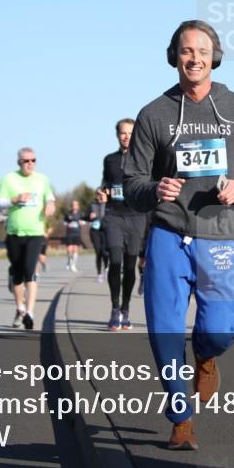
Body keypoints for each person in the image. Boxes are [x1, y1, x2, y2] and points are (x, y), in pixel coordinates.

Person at [124, 19, 234, 450]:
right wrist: (156, 188)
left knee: (224, 329)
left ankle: (205, 357)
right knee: (164, 330)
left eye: (203, 51)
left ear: (215, 57)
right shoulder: (154, 114)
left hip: (220, 234)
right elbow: (132, 184)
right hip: (169, 233)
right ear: (175, 56)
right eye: (187, 51)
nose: (195, 58)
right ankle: (181, 419)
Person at [0, 147, 55, 330]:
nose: (30, 164)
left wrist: (50, 205)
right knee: (17, 273)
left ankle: (30, 312)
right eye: (25, 161)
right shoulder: (9, 179)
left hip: (36, 232)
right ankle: (20, 308)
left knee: (30, 270)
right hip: (14, 232)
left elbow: (50, 198)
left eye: (33, 160)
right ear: (19, 162)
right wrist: (14, 200)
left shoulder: (42, 179)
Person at [100, 118, 149, 331]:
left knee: (130, 266)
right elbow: (105, 184)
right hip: (114, 216)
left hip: (136, 217)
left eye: (130, 133)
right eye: (123, 133)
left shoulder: (144, 160)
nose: (126, 136)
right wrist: (101, 193)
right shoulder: (110, 160)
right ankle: (114, 308)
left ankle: (125, 309)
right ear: (117, 135)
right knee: (115, 261)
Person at [88, 189, 109, 282]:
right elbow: (85, 216)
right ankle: (99, 274)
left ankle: (106, 269)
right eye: (98, 195)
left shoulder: (108, 205)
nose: (100, 196)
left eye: (101, 194)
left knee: (105, 252)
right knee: (98, 252)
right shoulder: (92, 205)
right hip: (95, 231)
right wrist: (89, 216)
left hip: (105, 230)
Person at [63, 200, 86, 272]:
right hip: (69, 233)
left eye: (76, 205)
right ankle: (69, 261)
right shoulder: (67, 214)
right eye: (73, 205)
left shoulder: (81, 214)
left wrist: (81, 222)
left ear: (78, 206)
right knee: (69, 250)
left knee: (75, 250)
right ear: (71, 206)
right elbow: (64, 222)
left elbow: (85, 221)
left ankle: (73, 265)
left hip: (77, 233)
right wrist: (67, 224)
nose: (74, 206)